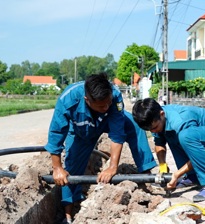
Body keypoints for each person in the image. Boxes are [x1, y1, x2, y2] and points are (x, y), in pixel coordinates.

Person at [44, 73, 156, 223]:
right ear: (87, 100)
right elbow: (56, 133)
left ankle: (146, 177)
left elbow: (117, 132)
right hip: (81, 130)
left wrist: (112, 166)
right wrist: (57, 167)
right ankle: (69, 211)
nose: (106, 107)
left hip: (107, 121)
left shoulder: (114, 96)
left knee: (134, 126)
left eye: (108, 103)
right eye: (101, 105)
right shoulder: (68, 99)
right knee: (71, 166)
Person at [132, 98, 205, 202]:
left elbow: (198, 150)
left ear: (162, 114)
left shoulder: (180, 120)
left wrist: (177, 175)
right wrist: (163, 166)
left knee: (186, 136)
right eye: (149, 130)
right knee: (172, 134)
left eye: (154, 128)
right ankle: (192, 176)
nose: (153, 131)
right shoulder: (156, 119)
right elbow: (159, 144)